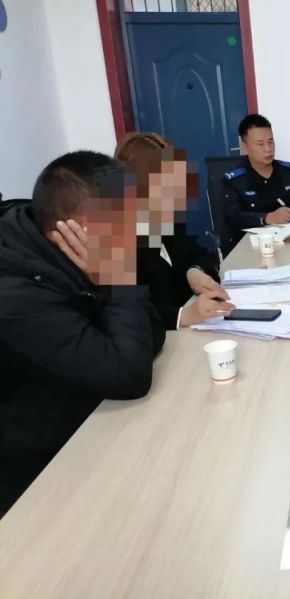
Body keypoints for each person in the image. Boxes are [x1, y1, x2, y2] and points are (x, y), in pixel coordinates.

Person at [0, 151, 166, 512]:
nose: (133, 237)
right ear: (72, 230)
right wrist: (118, 280)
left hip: (95, 421)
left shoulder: (70, 248)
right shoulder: (14, 296)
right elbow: (129, 375)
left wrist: (114, 281)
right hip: (34, 479)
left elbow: (153, 331)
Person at [114, 132, 234, 329]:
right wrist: (183, 316)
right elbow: (125, 313)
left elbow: (203, 255)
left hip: (194, 332)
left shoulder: (166, 220)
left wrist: (194, 271)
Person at [223, 114, 290, 245]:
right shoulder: (235, 180)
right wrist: (267, 218)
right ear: (245, 147)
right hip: (251, 247)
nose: (268, 149)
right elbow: (232, 218)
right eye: (260, 144)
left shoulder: (288, 172)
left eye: (270, 142)